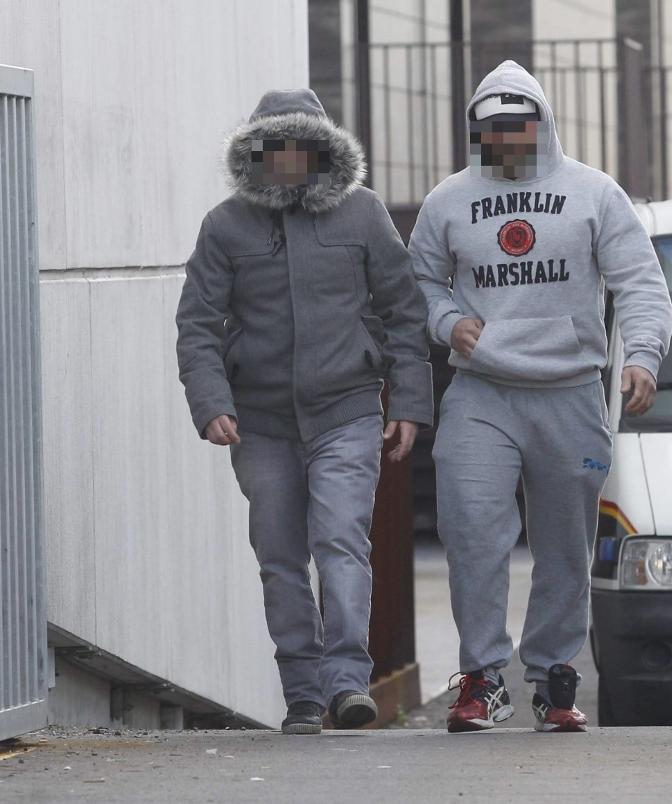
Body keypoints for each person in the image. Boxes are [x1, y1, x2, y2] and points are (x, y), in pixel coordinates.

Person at [409, 61, 672, 733]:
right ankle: (481, 676)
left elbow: (639, 281)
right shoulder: (447, 200)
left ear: (542, 124)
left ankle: (555, 676)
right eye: (490, 130)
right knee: (471, 528)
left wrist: (642, 355)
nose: (503, 140)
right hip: (481, 389)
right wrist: (447, 322)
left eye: (515, 127)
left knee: (563, 543)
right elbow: (418, 283)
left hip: (571, 389)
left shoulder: (593, 192)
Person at [176, 89, 434, 735]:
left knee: (342, 541)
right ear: (257, 152)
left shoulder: (364, 215)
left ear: (323, 152)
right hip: (259, 422)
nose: (290, 158)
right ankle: (301, 693)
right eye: (277, 147)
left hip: (345, 408)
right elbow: (198, 325)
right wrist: (210, 404)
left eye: (303, 146)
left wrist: (406, 401)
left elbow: (404, 312)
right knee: (281, 556)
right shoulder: (224, 225)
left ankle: (347, 684)